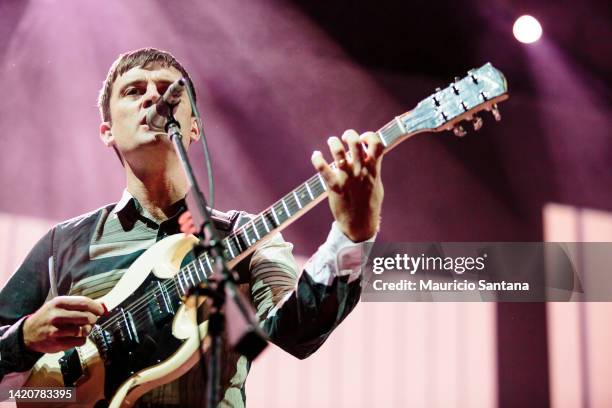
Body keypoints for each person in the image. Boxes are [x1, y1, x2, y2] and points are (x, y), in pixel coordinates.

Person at [0, 48, 384, 407]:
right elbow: (29, 392)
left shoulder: (242, 235)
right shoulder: (63, 243)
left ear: (194, 128)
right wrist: (25, 338)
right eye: (134, 91)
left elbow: (299, 330)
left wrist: (353, 234)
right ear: (107, 132)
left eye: (169, 92)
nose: (154, 98)